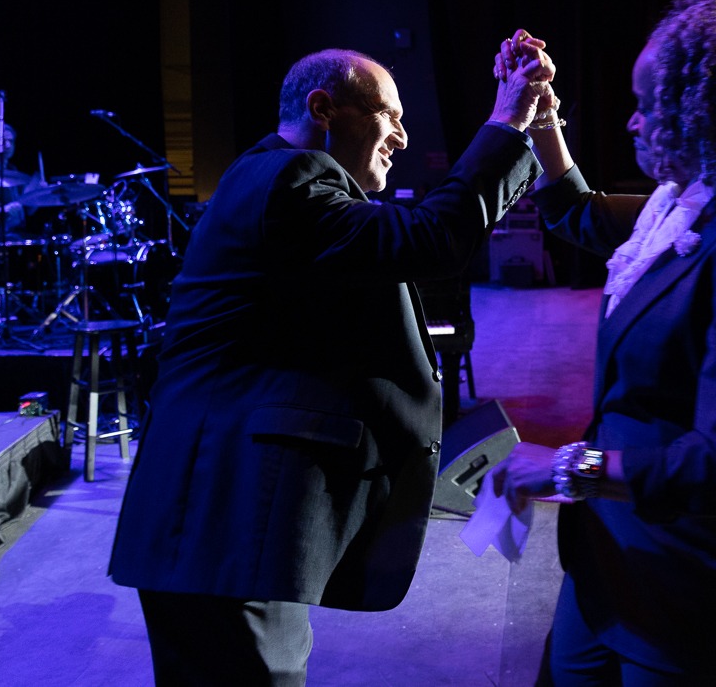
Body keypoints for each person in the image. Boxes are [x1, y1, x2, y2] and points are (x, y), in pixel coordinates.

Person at [109, 45, 554, 685]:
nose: (402, 137)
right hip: (222, 522)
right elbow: (433, 239)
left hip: (228, 529)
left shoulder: (282, 184)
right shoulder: (287, 180)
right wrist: (508, 123)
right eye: (389, 116)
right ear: (324, 108)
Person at [492, 0, 716, 687]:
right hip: (614, 563)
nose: (632, 119)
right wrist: (543, 117)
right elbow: (575, 212)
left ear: (706, 117)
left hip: (691, 592)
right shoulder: (678, 207)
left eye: (649, 102)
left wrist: (565, 468)